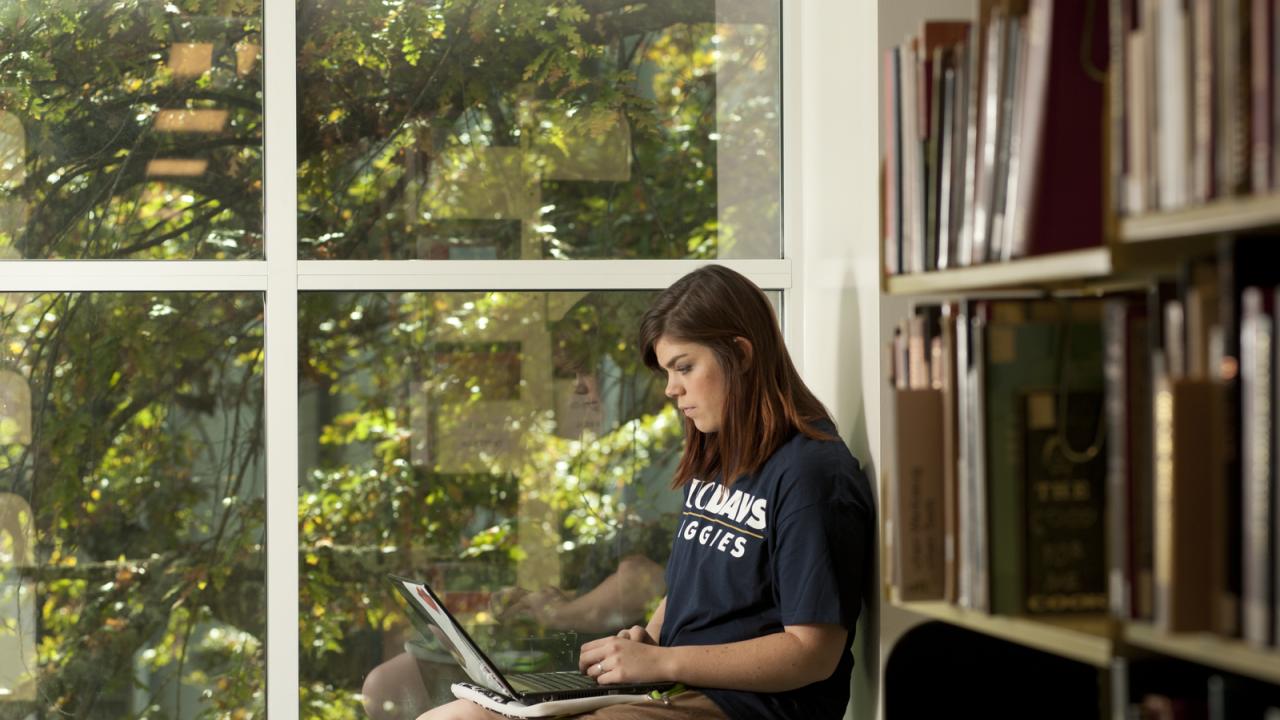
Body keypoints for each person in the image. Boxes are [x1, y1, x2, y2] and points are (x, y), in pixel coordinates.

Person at [419, 265, 874, 720]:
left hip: (745, 706)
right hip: (673, 687)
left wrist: (661, 662)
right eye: (667, 372)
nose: (672, 389)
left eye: (685, 367)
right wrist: (647, 640)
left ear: (741, 353)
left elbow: (812, 652)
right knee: (452, 717)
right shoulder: (722, 456)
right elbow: (687, 594)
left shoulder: (813, 476)